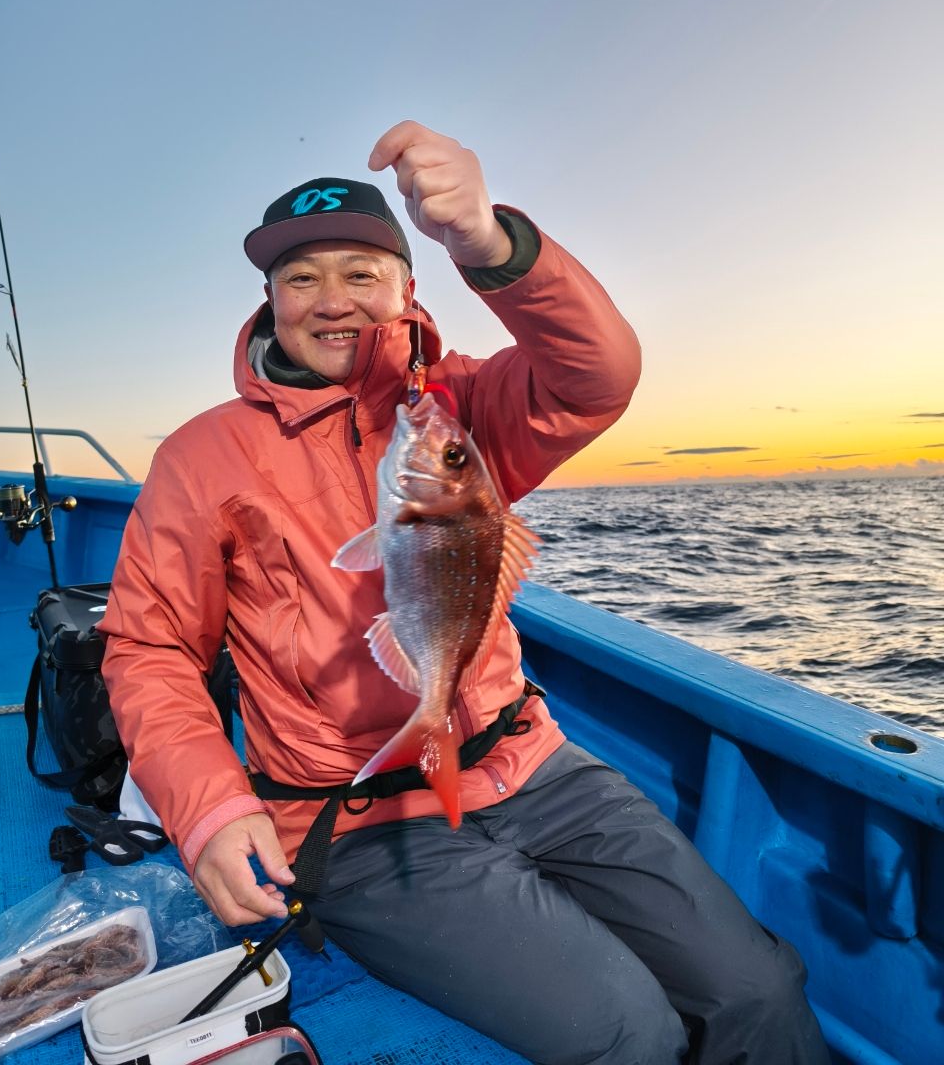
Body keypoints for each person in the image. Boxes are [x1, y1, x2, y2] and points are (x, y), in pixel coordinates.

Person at [101, 121, 828, 1065]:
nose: (333, 302)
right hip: (355, 817)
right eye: (300, 277)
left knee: (760, 988)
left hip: (533, 764)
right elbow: (150, 648)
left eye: (362, 273)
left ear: (408, 288)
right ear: (268, 300)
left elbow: (595, 374)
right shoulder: (202, 456)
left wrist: (493, 243)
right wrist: (205, 806)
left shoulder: (456, 409)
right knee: (628, 1032)